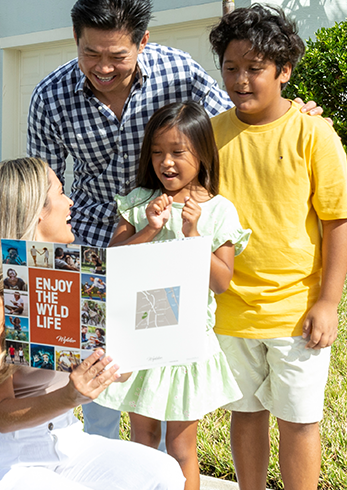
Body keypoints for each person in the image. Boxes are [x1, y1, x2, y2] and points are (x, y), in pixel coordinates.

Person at [27, 0, 323, 440]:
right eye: (91, 54)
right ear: (75, 37)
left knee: (159, 373)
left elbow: (235, 116)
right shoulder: (50, 96)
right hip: (95, 243)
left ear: (142, 42)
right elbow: (42, 188)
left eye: (117, 56)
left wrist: (291, 110)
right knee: (93, 375)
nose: (103, 68)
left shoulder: (177, 71)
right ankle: (97, 460)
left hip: (168, 252)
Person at [0, 157, 185, 490]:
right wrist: (71, 395)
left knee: (163, 473)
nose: (71, 202)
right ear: (37, 212)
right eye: (61, 192)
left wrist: (119, 360)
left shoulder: (76, 279)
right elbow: (2, 415)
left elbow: (118, 369)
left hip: (66, 441)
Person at [208, 4, 347, 490]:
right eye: (231, 68)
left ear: (284, 71)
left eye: (255, 69)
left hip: (296, 312)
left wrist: (328, 302)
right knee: (245, 414)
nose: (241, 80)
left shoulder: (315, 133)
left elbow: (338, 223)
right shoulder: (209, 135)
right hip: (230, 309)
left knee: (299, 419)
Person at [96, 101, 250, 490]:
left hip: (184, 343)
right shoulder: (138, 202)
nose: (167, 163)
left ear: (202, 153)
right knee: (142, 442)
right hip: (141, 337)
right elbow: (112, 262)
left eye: (178, 152)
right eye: (158, 152)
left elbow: (221, 282)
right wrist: (149, 227)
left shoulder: (217, 211)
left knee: (181, 446)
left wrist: (194, 234)